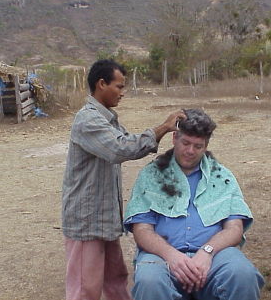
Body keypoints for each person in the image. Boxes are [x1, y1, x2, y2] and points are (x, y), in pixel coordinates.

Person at [61, 59, 186, 300]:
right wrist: (163, 127)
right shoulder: (88, 120)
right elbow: (122, 148)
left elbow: (128, 140)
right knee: (85, 288)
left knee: (115, 279)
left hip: (102, 218)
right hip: (87, 222)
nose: (123, 93)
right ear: (101, 84)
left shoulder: (107, 119)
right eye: (119, 87)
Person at [124, 108, 264, 300]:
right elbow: (142, 230)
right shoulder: (151, 175)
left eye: (198, 146)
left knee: (243, 274)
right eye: (185, 143)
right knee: (149, 282)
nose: (190, 151)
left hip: (215, 256)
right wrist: (171, 256)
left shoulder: (222, 176)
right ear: (174, 138)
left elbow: (234, 228)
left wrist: (206, 252)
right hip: (162, 256)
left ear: (206, 146)